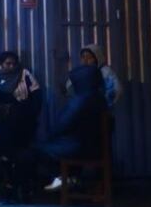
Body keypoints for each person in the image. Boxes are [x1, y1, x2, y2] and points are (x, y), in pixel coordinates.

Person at [40, 63, 108, 192]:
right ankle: (70, 177)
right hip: (94, 147)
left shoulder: (80, 100)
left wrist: (50, 136)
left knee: (38, 149)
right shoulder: (99, 98)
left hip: (78, 148)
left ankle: (62, 177)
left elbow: (62, 126)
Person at [66, 44, 121, 110]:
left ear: (97, 58)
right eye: (83, 57)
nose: (85, 60)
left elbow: (116, 89)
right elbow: (70, 90)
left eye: (89, 57)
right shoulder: (78, 73)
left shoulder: (105, 72)